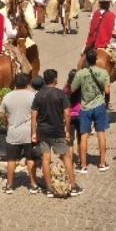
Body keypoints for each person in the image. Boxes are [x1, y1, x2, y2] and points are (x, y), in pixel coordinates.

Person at [31, 69, 82, 197]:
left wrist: (34, 132)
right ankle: (74, 186)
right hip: (58, 130)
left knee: (46, 159)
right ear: (55, 79)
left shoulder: (38, 95)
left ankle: (49, 188)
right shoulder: (60, 94)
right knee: (66, 157)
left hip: (43, 131)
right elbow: (67, 112)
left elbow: (33, 115)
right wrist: (67, 129)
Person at [71, 47, 111, 173]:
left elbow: (72, 89)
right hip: (99, 105)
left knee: (84, 136)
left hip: (85, 107)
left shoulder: (81, 73)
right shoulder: (104, 73)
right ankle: (103, 163)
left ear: (86, 60)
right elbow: (107, 91)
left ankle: (83, 165)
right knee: (101, 134)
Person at [0, 73, 38, 194]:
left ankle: (10, 185)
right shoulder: (33, 96)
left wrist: (7, 123)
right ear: (27, 84)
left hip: (13, 132)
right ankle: (33, 184)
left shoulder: (7, 96)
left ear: (15, 83)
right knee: (30, 158)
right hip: (29, 132)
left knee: (11, 159)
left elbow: (1, 114)